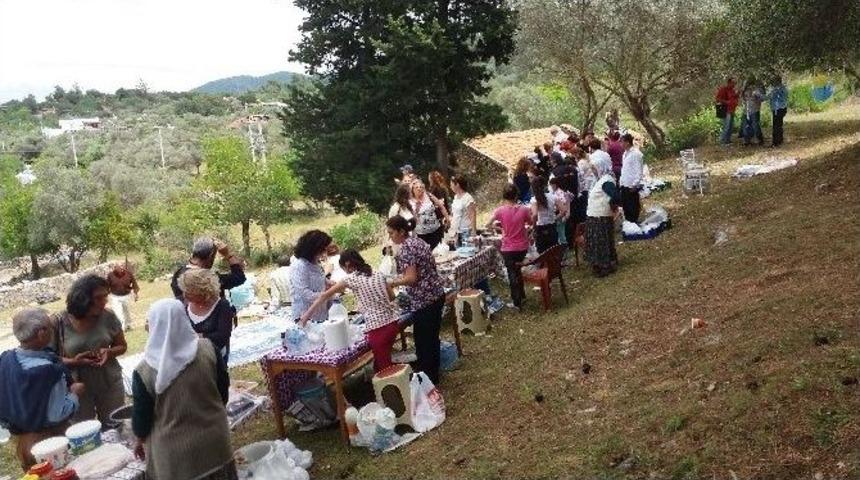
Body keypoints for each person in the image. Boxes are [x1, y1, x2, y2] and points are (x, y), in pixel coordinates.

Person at [132, 299, 234, 480]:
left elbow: (142, 419)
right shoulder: (208, 349)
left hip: (176, 459)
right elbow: (222, 394)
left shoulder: (144, 371)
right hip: (216, 445)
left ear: (153, 325)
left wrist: (139, 440)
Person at [0, 308, 85, 471]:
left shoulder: (6, 359)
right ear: (41, 333)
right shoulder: (48, 372)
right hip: (50, 443)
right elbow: (56, 414)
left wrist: (72, 361)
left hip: (23, 443)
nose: (52, 331)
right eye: (50, 328)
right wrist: (75, 393)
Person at [300, 250, 399, 372]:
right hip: (392, 324)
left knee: (386, 371)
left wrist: (306, 316)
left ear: (347, 264)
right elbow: (392, 297)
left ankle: (401, 389)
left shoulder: (352, 279)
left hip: (378, 329)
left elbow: (324, 296)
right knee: (382, 364)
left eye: (343, 269)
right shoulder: (378, 273)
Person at [52, 274, 127, 425]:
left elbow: (122, 346)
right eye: (98, 298)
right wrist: (74, 361)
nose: (104, 302)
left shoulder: (109, 316)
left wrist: (109, 352)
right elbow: (50, 359)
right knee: (84, 434)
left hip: (110, 384)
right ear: (82, 298)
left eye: (105, 296)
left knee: (115, 428)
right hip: (77, 388)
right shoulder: (58, 322)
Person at [386, 216, 446, 384]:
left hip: (424, 300)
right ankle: (434, 374)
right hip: (436, 293)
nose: (390, 236)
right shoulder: (417, 241)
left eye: (391, 233)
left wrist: (392, 282)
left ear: (401, 231)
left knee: (423, 342)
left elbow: (412, 278)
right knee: (432, 338)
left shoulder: (406, 249)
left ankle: (428, 380)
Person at [170, 237, 245, 327]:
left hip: (186, 328)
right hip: (210, 331)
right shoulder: (208, 279)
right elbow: (239, 277)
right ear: (210, 256)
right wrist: (228, 255)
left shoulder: (178, 274)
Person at [488, 185, 532, 309]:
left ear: (504, 196)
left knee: (512, 273)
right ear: (516, 195)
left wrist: (500, 228)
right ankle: (522, 295)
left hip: (508, 248)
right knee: (517, 271)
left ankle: (516, 301)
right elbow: (530, 223)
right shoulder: (524, 209)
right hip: (522, 247)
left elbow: (487, 224)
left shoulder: (499, 211)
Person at [178, 268, 234, 363]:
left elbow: (222, 337)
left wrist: (196, 337)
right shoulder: (182, 304)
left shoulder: (222, 305)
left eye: (188, 292)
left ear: (201, 291)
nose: (184, 295)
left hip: (215, 359)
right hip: (188, 359)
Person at [585, 156, 619, 277]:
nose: (593, 170)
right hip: (596, 215)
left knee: (601, 242)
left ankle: (605, 266)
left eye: (595, 168)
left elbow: (615, 196)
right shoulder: (601, 179)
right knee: (600, 241)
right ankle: (603, 263)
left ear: (601, 167)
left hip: (600, 216)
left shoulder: (606, 181)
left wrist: (611, 205)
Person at [290, 230, 334, 324]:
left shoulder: (315, 263)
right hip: (305, 316)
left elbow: (319, 278)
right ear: (313, 249)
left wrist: (329, 283)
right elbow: (304, 293)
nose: (324, 253)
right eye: (323, 249)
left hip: (320, 312)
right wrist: (326, 295)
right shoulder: (299, 266)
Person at [410, 179, 449, 250]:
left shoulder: (428, 195)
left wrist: (447, 219)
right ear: (412, 190)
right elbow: (413, 219)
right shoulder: (410, 201)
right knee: (425, 253)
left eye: (420, 187)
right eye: (416, 187)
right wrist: (417, 208)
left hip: (435, 231)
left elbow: (441, 206)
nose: (419, 189)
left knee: (438, 252)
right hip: (421, 235)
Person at [619, 133, 644, 223]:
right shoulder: (625, 154)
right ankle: (629, 221)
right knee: (626, 205)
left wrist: (635, 184)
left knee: (633, 205)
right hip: (625, 183)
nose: (621, 144)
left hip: (631, 184)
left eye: (622, 142)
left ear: (627, 143)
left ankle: (634, 220)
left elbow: (639, 170)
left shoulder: (636, 154)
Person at [106, 262, 139, 331]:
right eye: (119, 267)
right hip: (115, 297)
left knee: (126, 311)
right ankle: (121, 327)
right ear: (115, 268)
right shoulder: (110, 275)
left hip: (126, 296)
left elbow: (134, 284)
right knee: (118, 312)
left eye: (122, 266)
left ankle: (128, 325)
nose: (121, 268)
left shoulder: (128, 274)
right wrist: (105, 295)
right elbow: (106, 286)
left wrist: (136, 294)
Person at [530, 176, 558, 253]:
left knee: (542, 253)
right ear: (545, 185)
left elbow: (535, 215)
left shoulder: (534, 200)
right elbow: (563, 210)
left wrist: (534, 227)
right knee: (552, 250)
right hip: (552, 226)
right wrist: (555, 218)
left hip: (541, 228)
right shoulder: (553, 197)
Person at [448, 175, 477, 244]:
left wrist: (473, 233)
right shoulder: (455, 197)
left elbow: (472, 216)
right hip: (455, 231)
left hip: (465, 231)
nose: (450, 187)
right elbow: (454, 213)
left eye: (451, 184)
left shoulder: (468, 198)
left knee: (465, 252)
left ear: (457, 185)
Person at [741, 77, 765, 146]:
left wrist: (758, 95)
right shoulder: (744, 90)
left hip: (754, 110)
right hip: (746, 111)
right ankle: (747, 140)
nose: (748, 85)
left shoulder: (756, 90)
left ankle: (760, 139)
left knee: (755, 126)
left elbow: (763, 98)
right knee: (745, 126)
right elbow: (743, 98)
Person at [715, 77, 740, 145]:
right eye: (733, 83)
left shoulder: (732, 90)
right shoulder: (723, 89)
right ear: (729, 82)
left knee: (731, 126)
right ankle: (722, 141)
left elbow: (733, 98)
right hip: (725, 110)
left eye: (735, 83)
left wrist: (737, 95)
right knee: (726, 126)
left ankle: (727, 140)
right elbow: (717, 99)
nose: (734, 84)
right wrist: (726, 102)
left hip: (732, 110)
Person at [549, 177, 572, 247]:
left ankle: (563, 249)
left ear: (554, 185)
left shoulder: (558, 193)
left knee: (561, 233)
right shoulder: (561, 192)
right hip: (562, 214)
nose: (551, 187)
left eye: (551, 185)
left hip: (560, 215)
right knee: (561, 232)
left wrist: (560, 216)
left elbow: (564, 205)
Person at [769, 76, 789, 147]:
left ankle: (775, 142)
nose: (773, 83)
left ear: (777, 82)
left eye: (774, 81)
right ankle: (779, 140)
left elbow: (770, 97)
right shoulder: (781, 88)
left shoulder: (779, 89)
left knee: (776, 125)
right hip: (779, 108)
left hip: (778, 109)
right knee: (779, 125)